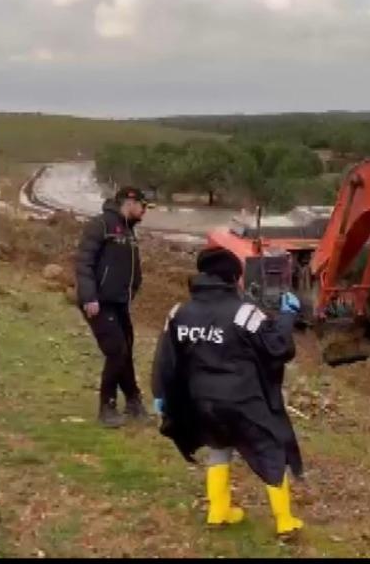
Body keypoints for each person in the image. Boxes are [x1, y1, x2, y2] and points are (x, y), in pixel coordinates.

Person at [151, 246, 305, 537]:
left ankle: (218, 512)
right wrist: (287, 315)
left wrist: (161, 394)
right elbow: (278, 347)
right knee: (270, 449)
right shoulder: (243, 313)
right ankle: (285, 521)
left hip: (202, 401)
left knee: (218, 447)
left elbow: (166, 358)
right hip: (242, 399)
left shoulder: (179, 313)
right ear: (234, 279)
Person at [74, 185, 148, 428]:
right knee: (117, 352)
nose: (144, 212)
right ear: (129, 202)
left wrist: (133, 289)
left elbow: (132, 269)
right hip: (99, 302)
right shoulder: (101, 225)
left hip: (119, 302)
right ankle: (107, 406)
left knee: (125, 350)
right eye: (143, 206)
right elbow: (84, 263)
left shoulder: (128, 231)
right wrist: (89, 298)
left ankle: (134, 402)